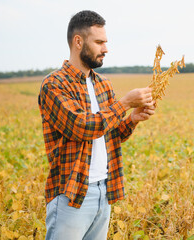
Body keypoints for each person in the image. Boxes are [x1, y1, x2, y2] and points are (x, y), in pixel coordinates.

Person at [38, 10, 155, 240]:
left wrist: (132, 118)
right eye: (99, 42)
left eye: (106, 42)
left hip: (104, 190)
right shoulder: (54, 85)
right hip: (72, 194)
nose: (105, 48)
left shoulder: (103, 84)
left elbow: (110, 134)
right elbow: (82, 127)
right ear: (78, 41)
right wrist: (124, 104)